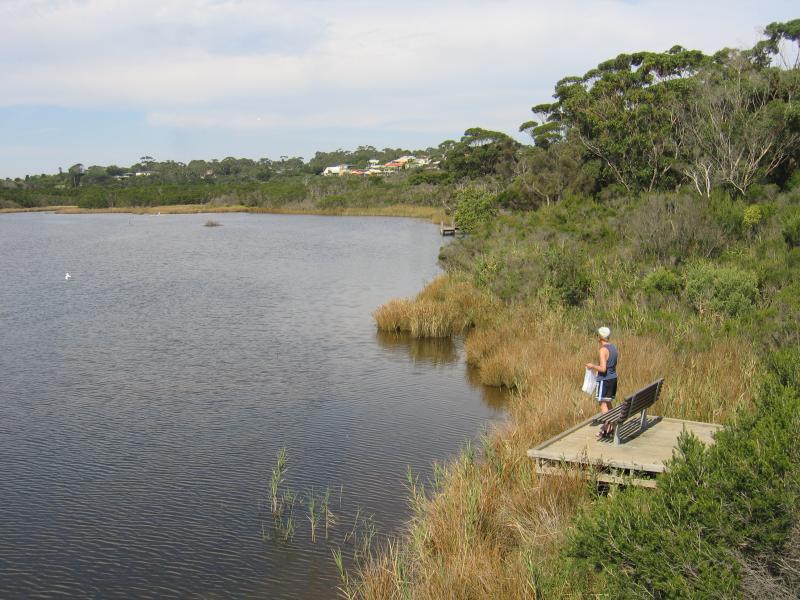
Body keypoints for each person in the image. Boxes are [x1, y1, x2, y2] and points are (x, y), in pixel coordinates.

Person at [585, 326, 618, 439]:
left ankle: (607, 429)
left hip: (605, 380)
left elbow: (603, 369)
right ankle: (611, 426)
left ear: (600, 337)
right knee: (608, 403)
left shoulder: (602, 350)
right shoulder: (613, 347)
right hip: (613, 379)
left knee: (603, 404)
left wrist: (592, 366)